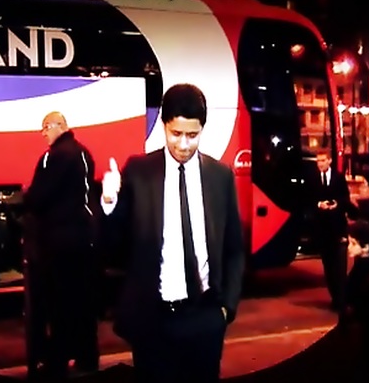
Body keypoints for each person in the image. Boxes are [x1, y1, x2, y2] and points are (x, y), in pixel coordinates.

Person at [100, 83, 245, 383]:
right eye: (175, 133)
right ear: (164, 125)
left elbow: (234, 249)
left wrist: (225, 309)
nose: (183, 144)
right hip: (153, 321)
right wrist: (109, 202)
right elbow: (111, 247)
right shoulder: (139, 172)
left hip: (205, 318)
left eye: (192, 135)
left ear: (202, 129)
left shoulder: (220, 177)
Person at [22, 111, 100, 381]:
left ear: (57, 126)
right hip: (84, 238)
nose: (43, 134)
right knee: (83, 303)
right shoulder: (83, 153)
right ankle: (88, 358)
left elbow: (39, 197)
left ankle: (57, 363)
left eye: (45, 128)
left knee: (58, 306)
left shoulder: (53, 157)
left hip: (59, 242)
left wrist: (25, 197)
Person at [306, 149, 356, 317]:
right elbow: (307, 199)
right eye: (318, 161)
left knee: (340, 267)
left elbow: (345, 198)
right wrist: (318, 205)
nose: (320, 164)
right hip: (322, 230)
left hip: (337, 228)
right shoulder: (312, 178)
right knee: (328, 267)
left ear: (329, 161)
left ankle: (341, 301)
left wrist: (336, 204)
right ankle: (335, 298)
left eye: (322, 160)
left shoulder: (338, 177)